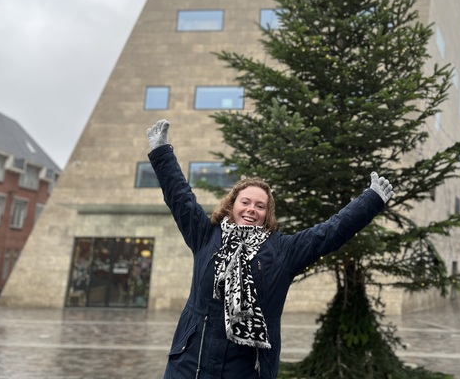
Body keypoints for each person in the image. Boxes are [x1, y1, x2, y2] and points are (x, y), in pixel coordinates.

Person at [146, 119, 394, 379]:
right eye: (246, 202)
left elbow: (329, 232)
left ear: (267, 214)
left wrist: (371, 200)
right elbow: (180, 198)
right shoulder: (207, 236)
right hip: (191, 364)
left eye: (260, 206)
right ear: (232, 205)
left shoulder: (283, 251)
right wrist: (162, 151)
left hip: (246, 370)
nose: (251, 209)